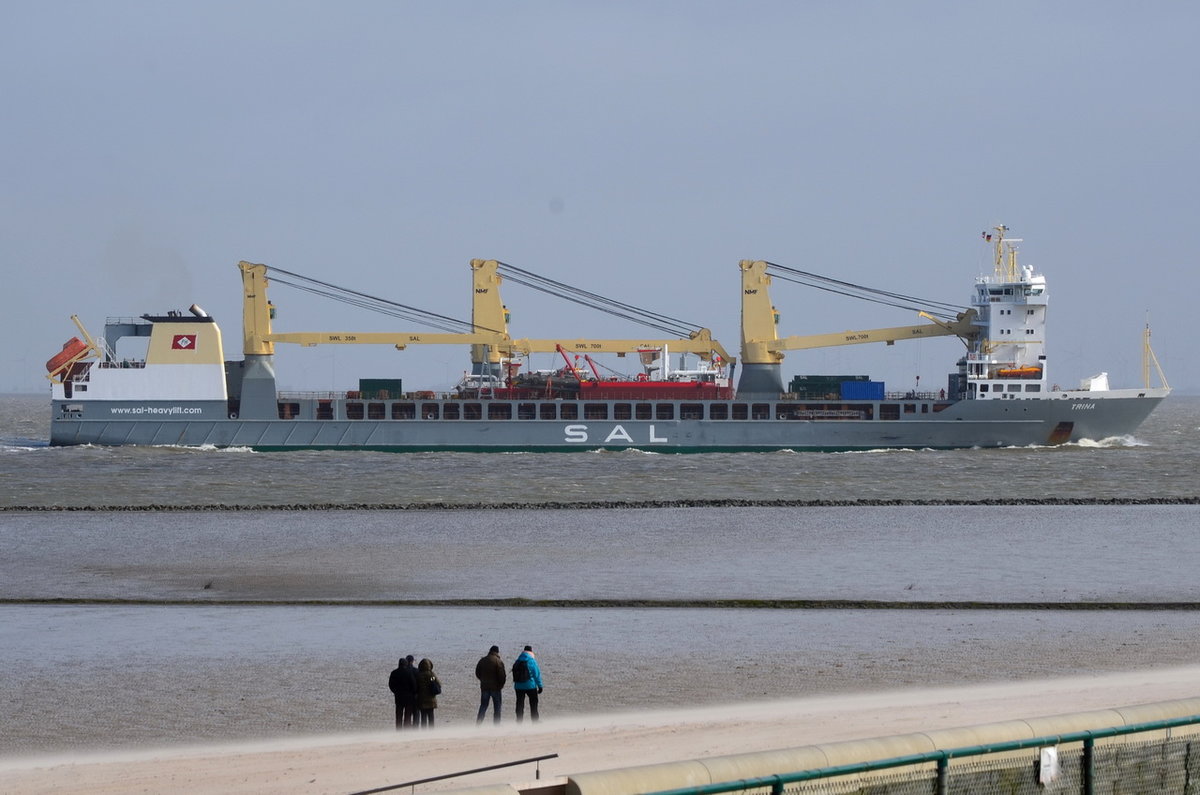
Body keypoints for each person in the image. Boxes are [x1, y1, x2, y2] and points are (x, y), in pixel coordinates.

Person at [512, 645, 544, 723]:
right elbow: (537, 674)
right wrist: (540, 686)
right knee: (533, 703)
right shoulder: (531, 661)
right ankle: (535, 720)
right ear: (531, 652)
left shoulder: (517, 660)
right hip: (530, 686)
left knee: (519, 704)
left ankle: (519, 721)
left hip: (518, 686)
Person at [475, 645, 505, 724]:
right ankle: (496, 724)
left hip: (484, 687)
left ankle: (478, 723)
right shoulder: (498, 661)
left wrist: (482, 680)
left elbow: (477, 673)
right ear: (497, 652)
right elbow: (502, 676)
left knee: (483, 706)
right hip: (496, 688)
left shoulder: (482, 660)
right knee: (497, 707)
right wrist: (501, 685)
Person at [388, 656, 417, 729]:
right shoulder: (409, 672)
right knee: (408, 715)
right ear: (406, 664)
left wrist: (395, 692)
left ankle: (399, 730)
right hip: (409, 697)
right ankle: (407, 730)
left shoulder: (394, 673)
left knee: (399, 715)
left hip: (398, 697)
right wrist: (413, 693)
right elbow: (413, 685)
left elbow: (391, 685)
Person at [415, 658, 441, 729]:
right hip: (431, 698)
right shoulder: (431, 675)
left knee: (423, 716)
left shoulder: (418, 675)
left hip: (421, 698)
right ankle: (431, 731)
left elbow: (415, 687)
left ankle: (424, 731)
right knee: (431, 716)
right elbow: (438, 683)